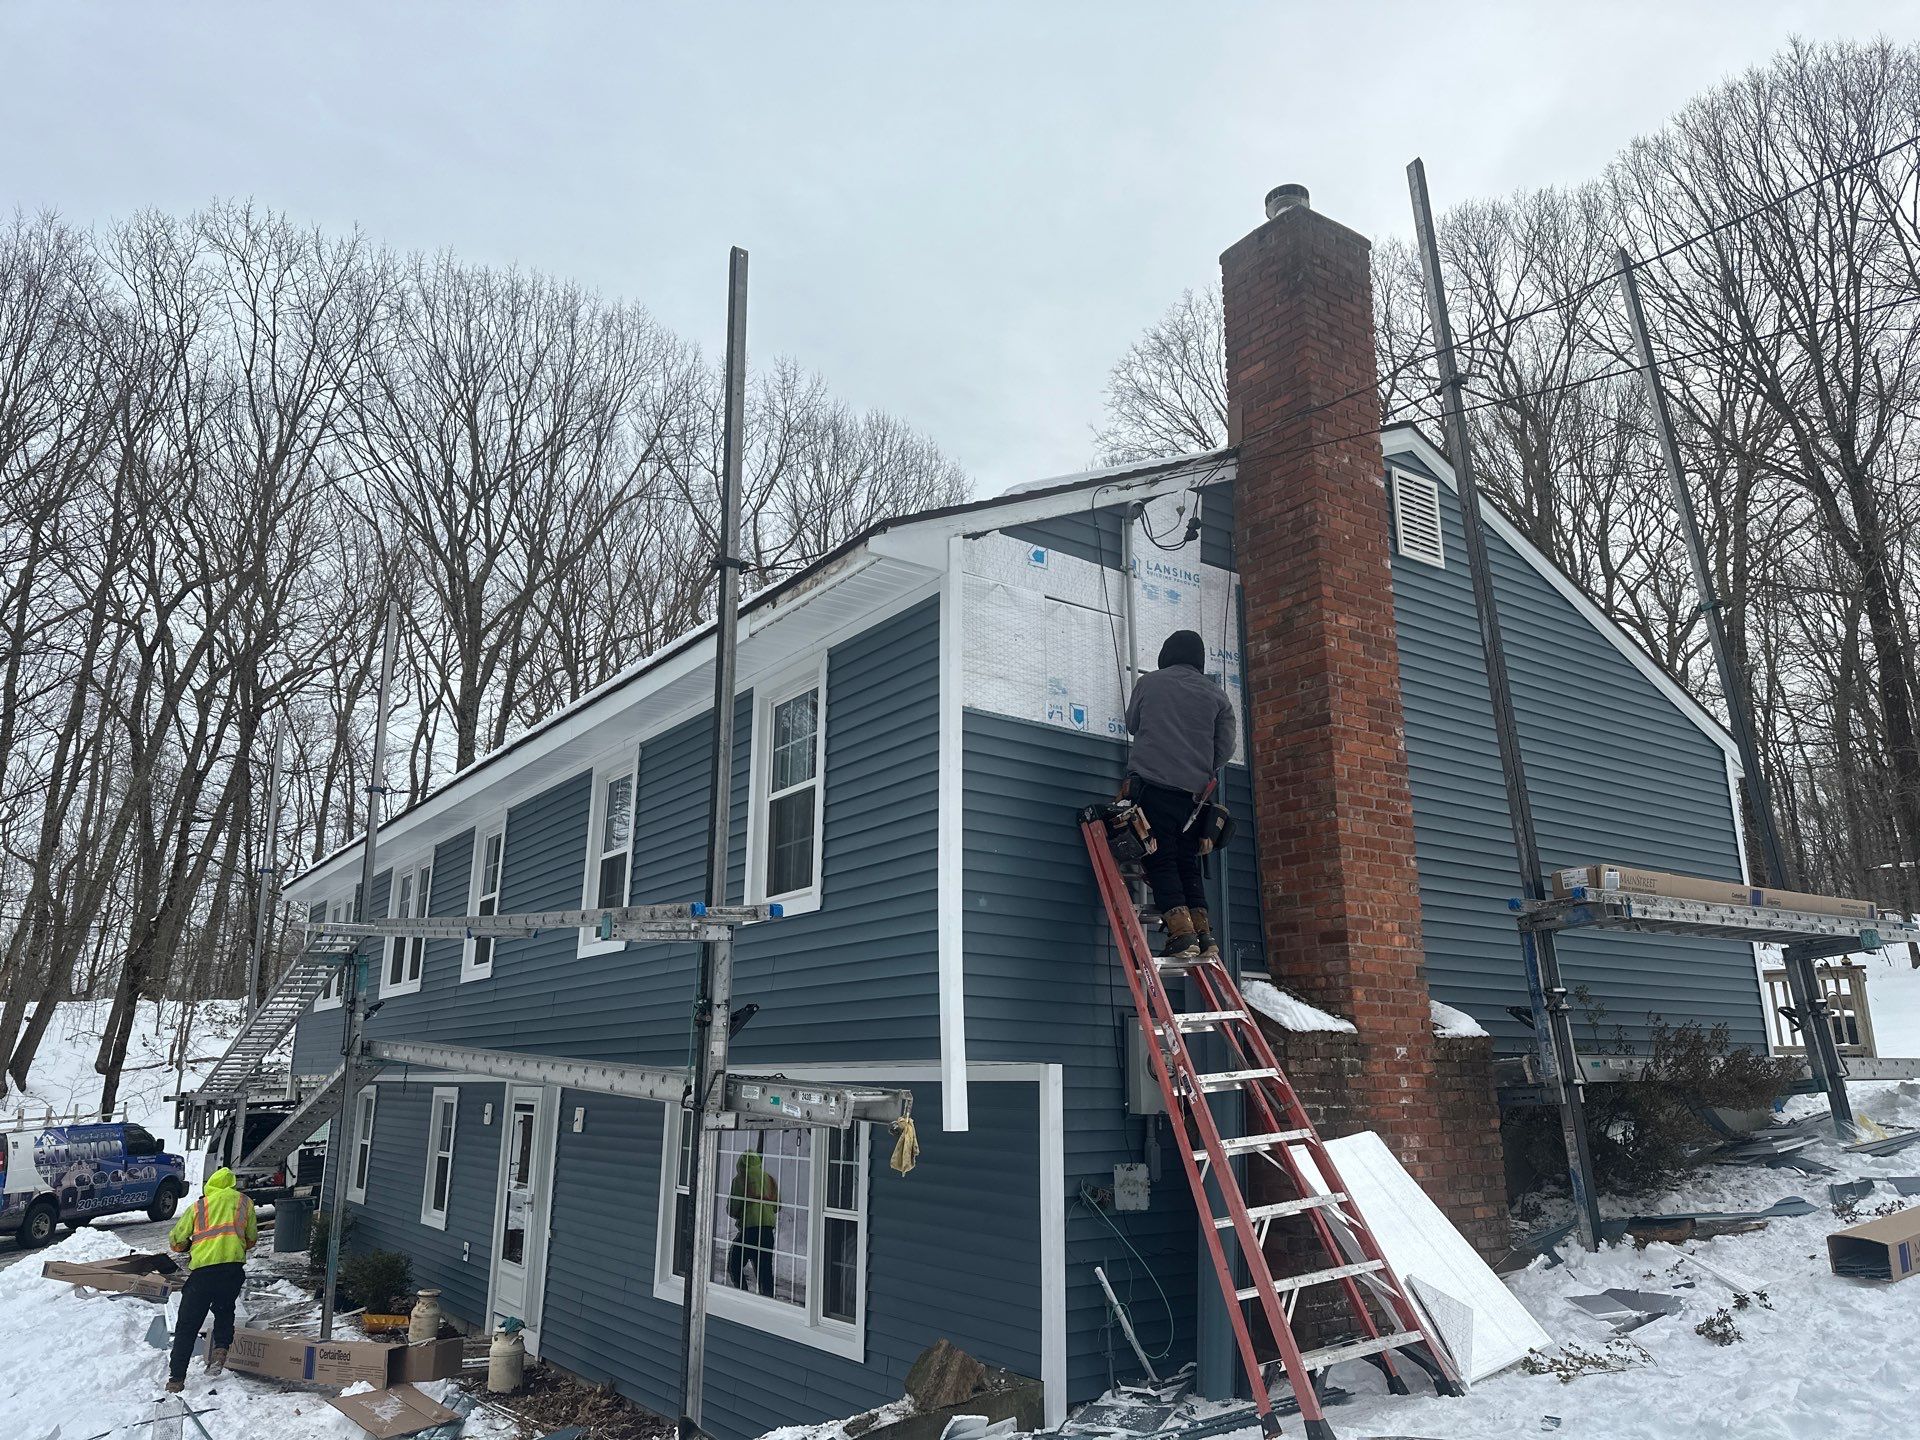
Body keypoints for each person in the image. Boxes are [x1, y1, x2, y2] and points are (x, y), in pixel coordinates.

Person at [1124, 629, 1237, 958]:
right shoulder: (1217, 696)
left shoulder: (1149, 683)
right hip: (1195, 798)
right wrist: (1199, 765)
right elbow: (1225, 748)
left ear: (1166, 654)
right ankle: (1204, 934)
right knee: (1187, 861)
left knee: (1160, 858)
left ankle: (1182, 935)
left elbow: (1133, 724)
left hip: (1153, 788)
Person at [165, 1166, 259, 1392]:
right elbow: (251, 1239)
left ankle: (176, 1379)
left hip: (203, 1274)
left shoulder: (199, 1206)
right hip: (232, 1270)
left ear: (210, 1185)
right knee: (225, 1309)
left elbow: (176, 1242)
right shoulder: (245, 1203)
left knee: (187, 1324)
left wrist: (192, 1245)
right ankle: (220, 1350)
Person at [725, 1149, 778, 1298]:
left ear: (740, 1163)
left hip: (750, 1230)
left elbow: (733, 1207)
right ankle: (768, 1301)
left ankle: (743, 1295)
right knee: (764, 1270)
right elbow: (777, 1206)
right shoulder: (770, 1179)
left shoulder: (740, 1179)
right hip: (767, 1230)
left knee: (734, 1264)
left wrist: (739, 1212)